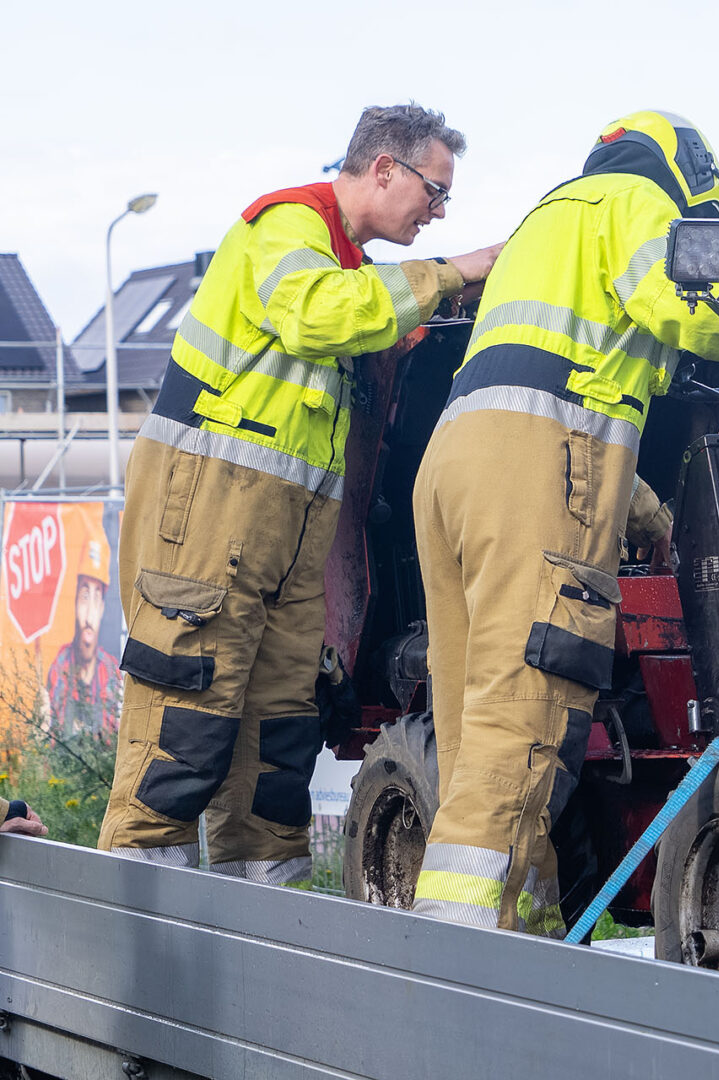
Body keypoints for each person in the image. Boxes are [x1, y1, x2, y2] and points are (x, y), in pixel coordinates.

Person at [99, 104, 504, 885]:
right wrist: (452, 272)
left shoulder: (341, 264)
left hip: (281, 526)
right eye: (434, 189)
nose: (439, 211)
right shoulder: (288, 225)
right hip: (211, 510)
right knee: (184, 713)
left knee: (279, 729)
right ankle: (137, 921)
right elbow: (319, 316)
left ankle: (267, 925)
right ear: (383, 168)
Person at [410, 110, 719, 931]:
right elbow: (679, 302)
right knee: (519, 731)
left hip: (454, 466)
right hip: (529, 478)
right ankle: (460, 967)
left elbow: (556, 390)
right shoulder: (638, 202)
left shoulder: (548, 219)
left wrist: (646, 513)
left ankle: (523, 946)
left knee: (472, 738)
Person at [46, 530, 121, 737]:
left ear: (103, 607)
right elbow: (56, 737)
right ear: (75, 601)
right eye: (85, 596)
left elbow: (113, 738)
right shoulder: (60, 664)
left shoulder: (110, 670)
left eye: (96, 598)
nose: (89, 616)